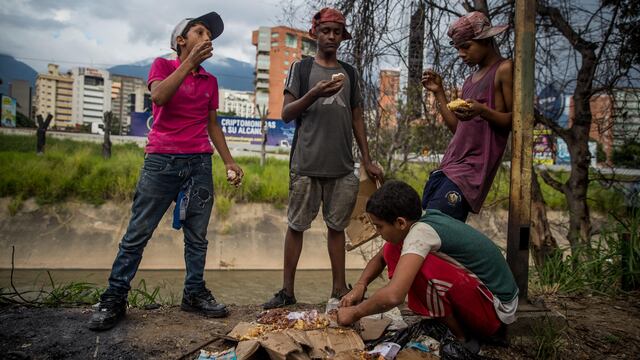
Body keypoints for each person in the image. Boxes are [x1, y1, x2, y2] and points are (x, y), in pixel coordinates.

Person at [89, 11, 243, 331]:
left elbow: (211, 124)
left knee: (197, 236)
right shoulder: (163, 66)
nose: (207, 38)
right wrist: (188, 65)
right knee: (138, 233)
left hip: (199, 162)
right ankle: (114, 297)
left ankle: (194, 293)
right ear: (180, 41)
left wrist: (228, 161)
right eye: (199, 32)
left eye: (209, 34)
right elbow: (159, 96)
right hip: (162, 161)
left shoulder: (210, 81)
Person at [262, 7, 383, 309]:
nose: (331, 36)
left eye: (337, 31)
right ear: (315, 33)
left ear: (343, 36)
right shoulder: (301, 69)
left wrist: (367, 159)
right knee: (297, 226)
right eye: (326, 30)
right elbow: (287, 114)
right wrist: (313, 94)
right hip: (306, 164)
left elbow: (357, 119)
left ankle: (339, 290)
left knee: (336, 228)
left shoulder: (351, 73)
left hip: (342, 167)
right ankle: (287, 291)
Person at [338, 181, 518, 353]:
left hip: (495, 313)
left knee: (421, 268)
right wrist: (361, 285)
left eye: (379, 227)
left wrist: (355, 313)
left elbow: (394, 296)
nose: (377, 232)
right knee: (392, 249)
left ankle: (462, 340)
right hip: (485, 300)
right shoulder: (419, 221)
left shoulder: (421, 234)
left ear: (400, 222)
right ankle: (451, 323)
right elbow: (380, 258)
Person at [421, 11, 513, 222]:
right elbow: (458, 128)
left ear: (486, 40)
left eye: (466, 46)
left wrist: (483, 110)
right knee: (427, 226)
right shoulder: (469, 81)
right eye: (457, 48)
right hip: (449, 165)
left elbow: (514, 122)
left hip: (470, 172)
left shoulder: (504, 69)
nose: (461, 53)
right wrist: (439, 92)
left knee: (437, 229)